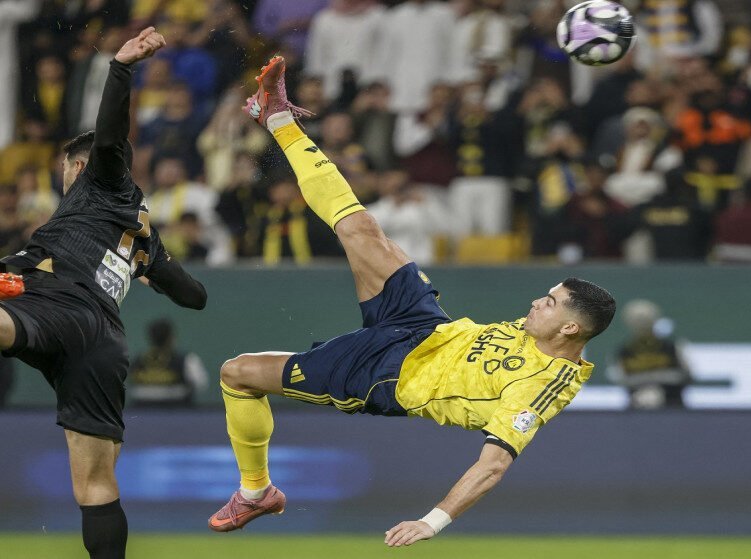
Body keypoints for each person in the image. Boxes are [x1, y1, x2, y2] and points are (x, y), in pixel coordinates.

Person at [208, 56, 616, 546]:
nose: (536, 302)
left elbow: (493, 465)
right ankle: (277, 118)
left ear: (570, 328)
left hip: (388, 374)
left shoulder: (543, 385)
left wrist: (432, 520)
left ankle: (256, 492)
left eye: (549, 303)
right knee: (361, 227)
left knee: (238, 372)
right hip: (425, 324)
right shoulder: (541, 330)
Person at [0, 28, 207, 559]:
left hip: (56, 303)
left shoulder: (100, 181)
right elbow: (195, 297)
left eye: (63, 172)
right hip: (103, 343)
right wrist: (147, 268)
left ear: (77, 167)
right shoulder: (146, 241)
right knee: (95, 487)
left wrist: (120, 67)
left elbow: (110, 139)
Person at [606, 300, 691, 410]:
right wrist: (657, 377)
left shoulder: (673, 347)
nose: (642, 322)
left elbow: (686, 375)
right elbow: (622, 379)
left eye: (645, 318)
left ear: (655, 318)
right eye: (637, 319)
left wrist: (651, 381)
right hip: (636, 405)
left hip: (672, 405)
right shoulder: (624, 351)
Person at [129, 318, 208, 407]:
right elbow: (200, 384)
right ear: (171, 338)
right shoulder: (186, 360)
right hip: (177, 409)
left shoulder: (137, 360)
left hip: (142, 409)